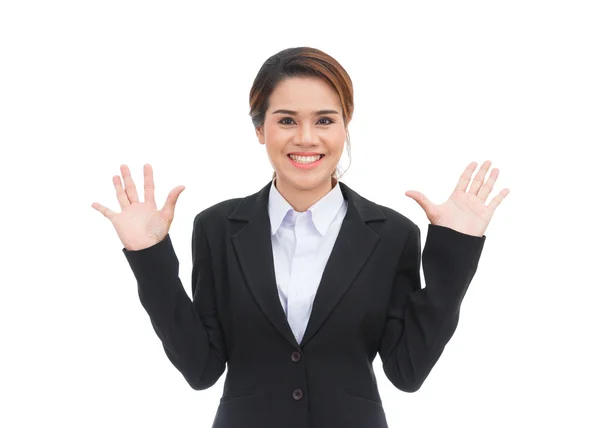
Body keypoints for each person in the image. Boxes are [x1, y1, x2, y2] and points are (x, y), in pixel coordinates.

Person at [91, 47, 509, 428]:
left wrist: (455, 250)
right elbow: (201, 369)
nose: (306, 138)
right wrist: (148, 256)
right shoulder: (217, 228)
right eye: (287, 120)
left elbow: (408, 371)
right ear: (260, 129)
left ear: (346, 126)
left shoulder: (392, 234)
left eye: (325, 120)